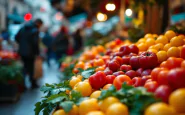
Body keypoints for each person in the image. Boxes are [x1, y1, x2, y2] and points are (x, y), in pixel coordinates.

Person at [15, 19, 43, 89]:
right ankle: (33, 83)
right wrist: (37, 53)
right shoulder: (35, 30)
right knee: (31, 68)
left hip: (22, 51)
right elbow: (35, 43)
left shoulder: (23, 28)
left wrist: (22, 44)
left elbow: (16, 37)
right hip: (31, 52)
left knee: (24, 67)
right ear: (38, 23)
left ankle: (23, 84)